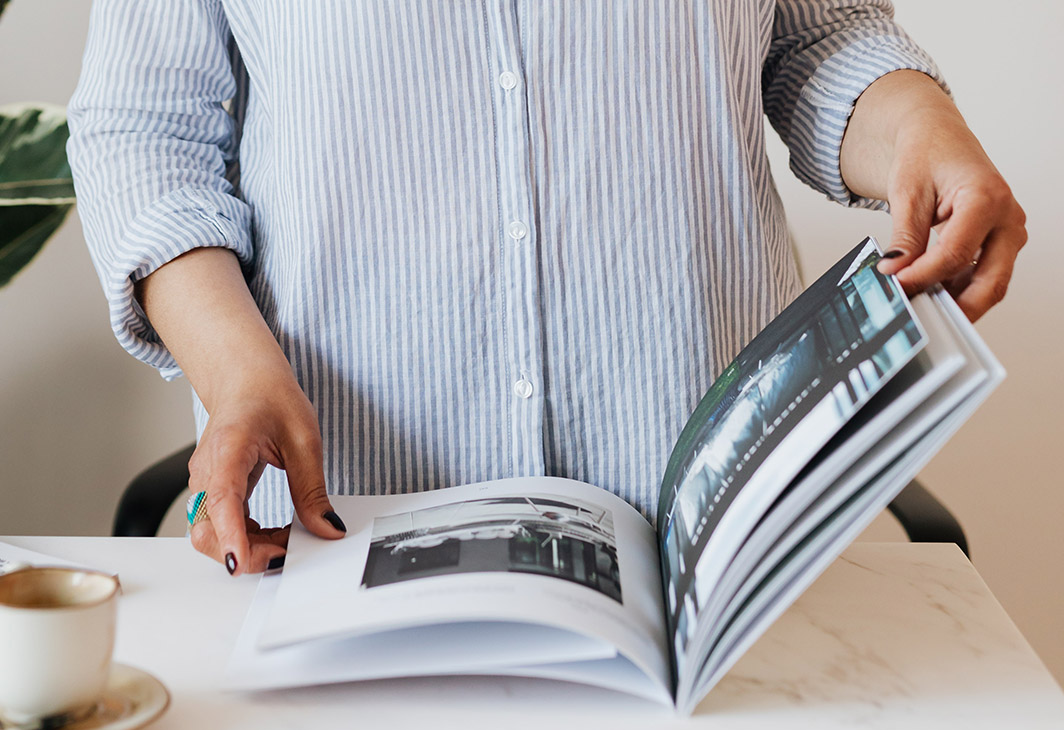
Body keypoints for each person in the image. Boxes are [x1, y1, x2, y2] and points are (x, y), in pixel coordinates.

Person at [67, 1, 1026, 576]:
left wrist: (917, 129)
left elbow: (816, 37)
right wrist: (236, 377)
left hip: (711, 531)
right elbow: (146, 132)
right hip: (349, 528)